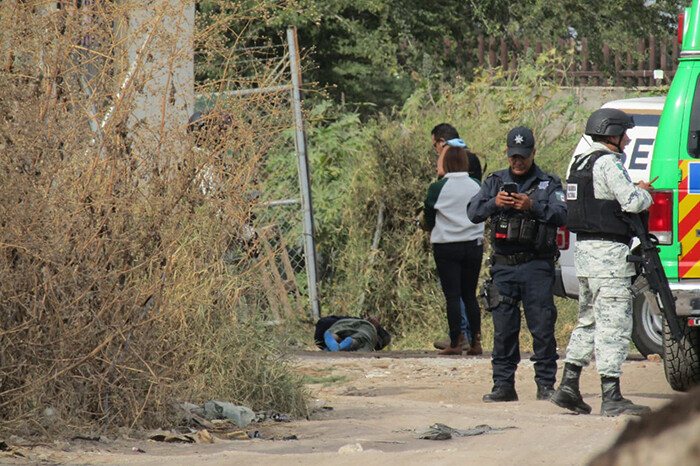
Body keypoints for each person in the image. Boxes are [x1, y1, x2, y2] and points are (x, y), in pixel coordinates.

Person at [551, 109, 653, 417]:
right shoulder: (608, 163)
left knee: (588, 321)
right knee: (614, 324)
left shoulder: (580, 163)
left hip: (584, 255)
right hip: (609, 256)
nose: (628, 138)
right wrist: (644, 192)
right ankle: (611, 395)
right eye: (624, 133)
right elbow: (632, 202)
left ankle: (569, 386)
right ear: (611, 134)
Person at [467, 126, 566, 401]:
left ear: (533, 152)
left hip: (537, 265)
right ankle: (503, 385)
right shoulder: (494, 182)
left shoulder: (549, 183)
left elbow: (563, 214)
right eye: (513, 156)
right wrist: (494, 204)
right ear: (507, 154)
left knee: (543, 327)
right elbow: (472, 212)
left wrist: (532, 206)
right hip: (504, 267)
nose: (517, 161)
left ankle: (546, 385)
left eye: (523, 156)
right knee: (504, 329)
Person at [423, 145, 485, 355]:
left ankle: (456, 341)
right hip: (472, 245)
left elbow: (429, 217)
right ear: (465, 163)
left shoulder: (437, 188)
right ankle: (476, 341)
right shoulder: (476, 185)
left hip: (446, 246)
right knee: (470, 295)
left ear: (446, 163)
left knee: (453, 296)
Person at [316, 315, 391, 352]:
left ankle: (333, 344)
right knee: (358, 340)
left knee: (333, 333)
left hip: (326, 328)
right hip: (327, 330)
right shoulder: (369, 331)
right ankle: (338, 345)